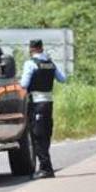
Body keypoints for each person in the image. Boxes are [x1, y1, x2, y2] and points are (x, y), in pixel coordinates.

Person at [19, 39, 67, 179]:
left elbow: (24, 84)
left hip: (36, 103)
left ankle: (46, 168)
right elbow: (62, 79)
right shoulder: (50, 63)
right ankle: (46, 166)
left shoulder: (30, 64)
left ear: (31, 49)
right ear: (42, 48)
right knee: (46, 134)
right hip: (48, 103)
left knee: (37, 135)